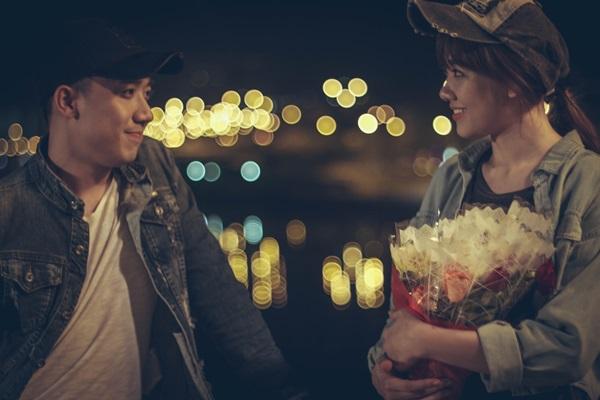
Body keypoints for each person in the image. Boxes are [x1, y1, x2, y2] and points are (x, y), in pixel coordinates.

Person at [0, 19, 307, 400]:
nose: (146, 112)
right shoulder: (11, 208)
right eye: (127, 92)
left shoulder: (155, 170)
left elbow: (218, 292)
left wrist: (280, 389)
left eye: (147, 93)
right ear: (68, 102)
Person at [368, 1, 600, 399]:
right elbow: (406, 314)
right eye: (446, 73)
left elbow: (568, 347)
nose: (445, 90)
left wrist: (429, 342)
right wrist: (384, 369)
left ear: (513, 78)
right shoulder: (452, 177)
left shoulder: (585, 182)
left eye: (459, 73)